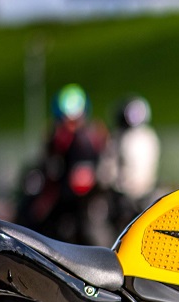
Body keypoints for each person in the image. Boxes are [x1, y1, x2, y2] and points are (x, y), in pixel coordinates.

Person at [15, 84, 111, 245]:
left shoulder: (86, 139)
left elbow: (83, 177)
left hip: (79, 200)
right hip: (66, 199)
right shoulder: (64, 138)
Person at [100, 95, 161, 229]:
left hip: (125, 197)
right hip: (147, 192)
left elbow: (106, 173)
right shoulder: (150, 136)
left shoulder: (119, 138)